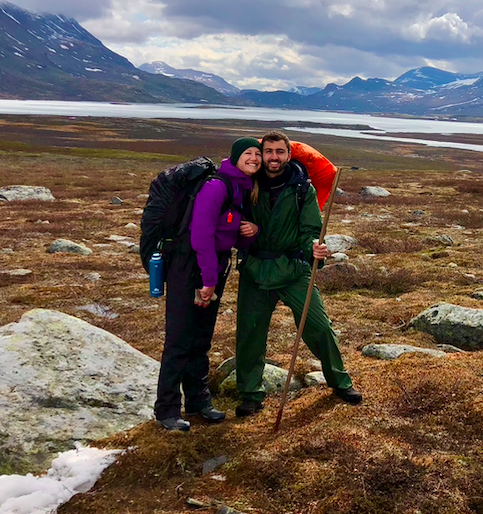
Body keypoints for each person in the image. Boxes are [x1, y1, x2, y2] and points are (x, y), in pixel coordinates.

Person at [234, 130, 362, 418]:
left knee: (320, 327)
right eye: (268, 152)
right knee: (249, 335)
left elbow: (309, 230)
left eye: (280, 152)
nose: (274, 157)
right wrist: (246, 231)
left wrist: (313, 249)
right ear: (261, 154)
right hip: (255, 269)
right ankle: (250, 395)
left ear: (289, 155)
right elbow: (229, 220)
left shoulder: (303, 187)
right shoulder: (245, 184)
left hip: (294, 270)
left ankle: (340, 382)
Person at [154, 137, 262, 432]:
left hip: (212, 266)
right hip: (190, 267)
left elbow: (230, 236)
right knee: (179, 339)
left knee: (201, 338)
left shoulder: (242, 188)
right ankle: (166, 409)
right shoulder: (217, 186)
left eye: (257, 154)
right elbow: (199, 235)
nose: (254, 158)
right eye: (247, 154)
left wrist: (252, 232)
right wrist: (208, 280)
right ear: (236, 157)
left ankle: (198, 401)